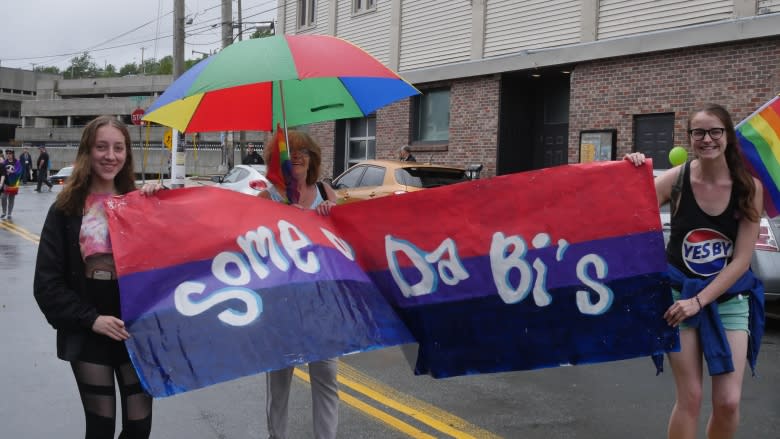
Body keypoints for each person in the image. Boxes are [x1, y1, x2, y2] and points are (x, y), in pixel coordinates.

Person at [625, 103, 764, 439]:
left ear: (728, 136)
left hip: (729, 298)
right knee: (690, 398)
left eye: (715, 131)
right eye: (699, 132)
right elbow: (624, 207)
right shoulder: (676, 180)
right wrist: (629, 170)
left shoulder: (749, 188)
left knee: (728, 401)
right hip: (677, 300)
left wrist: (699, 301)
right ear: (689, 138)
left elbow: (742, 260)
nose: (707, 139)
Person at [33, 116, 164, 439]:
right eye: (101, 147)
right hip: (89, 331)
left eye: (118, 148)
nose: (110, 155)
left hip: (136, 331)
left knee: (138, 428)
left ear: (127, 154)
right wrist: (91, 319)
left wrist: (161, 205)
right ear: (87, 152)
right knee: (101, 429)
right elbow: (47, 285)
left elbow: (171, 257)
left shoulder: (140, 204)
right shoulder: (64, 210)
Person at [258, 129, 339, 439]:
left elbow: (345, 244)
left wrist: (334, 216)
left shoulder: (326, 192)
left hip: (322, 305)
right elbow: (249, 248)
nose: (296, 157)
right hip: (281, 306)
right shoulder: (267, 198)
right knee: (278, 385)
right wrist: (277, 216)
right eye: (287, 152)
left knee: (326, 379)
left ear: (312, 158)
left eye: (302, 151)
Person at [1, 149, 22, 220]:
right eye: (7, 153)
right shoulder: (4, 162)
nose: (8, 155)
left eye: (10, 153)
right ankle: (4, 212)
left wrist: (12, 171)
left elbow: (19, 171)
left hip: (13, 183)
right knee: (3, 197)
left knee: (11, 198)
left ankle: (9, 213)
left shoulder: (17, 162)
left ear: (13, 154)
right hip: (6, 183)